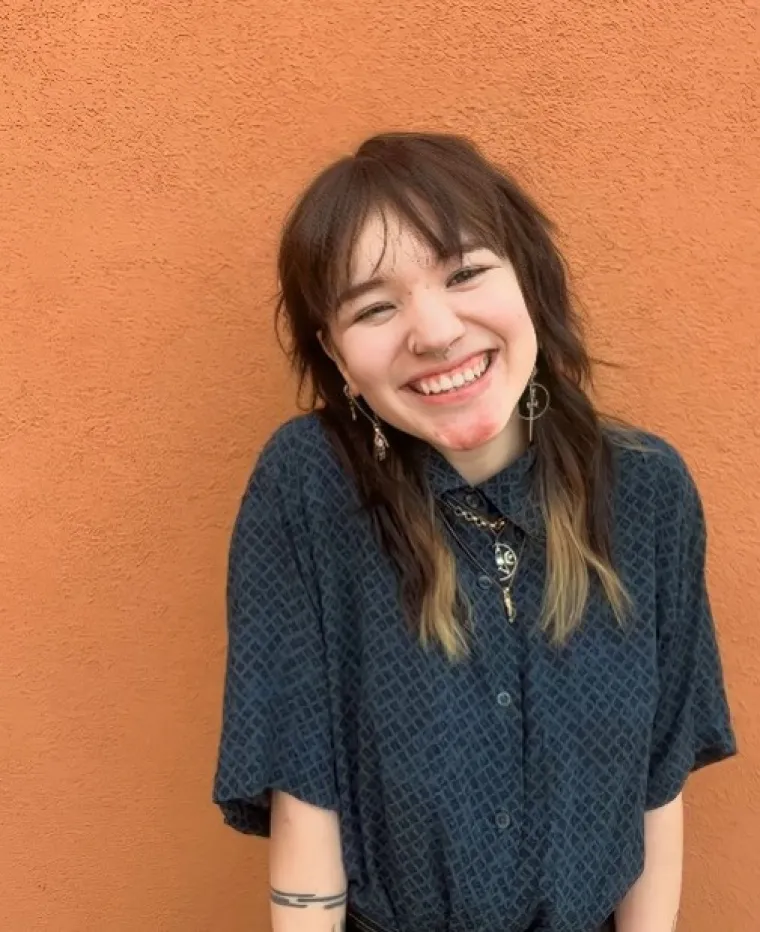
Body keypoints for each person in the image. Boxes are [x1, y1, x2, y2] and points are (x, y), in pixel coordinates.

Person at [212, 132, 736, 932]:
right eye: (376, 306)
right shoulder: (307, 489)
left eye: (464, 272)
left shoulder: (648, 493)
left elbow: (656, 785)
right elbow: (304, 791)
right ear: (338, 356)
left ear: (529, 277)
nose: (434, 331)